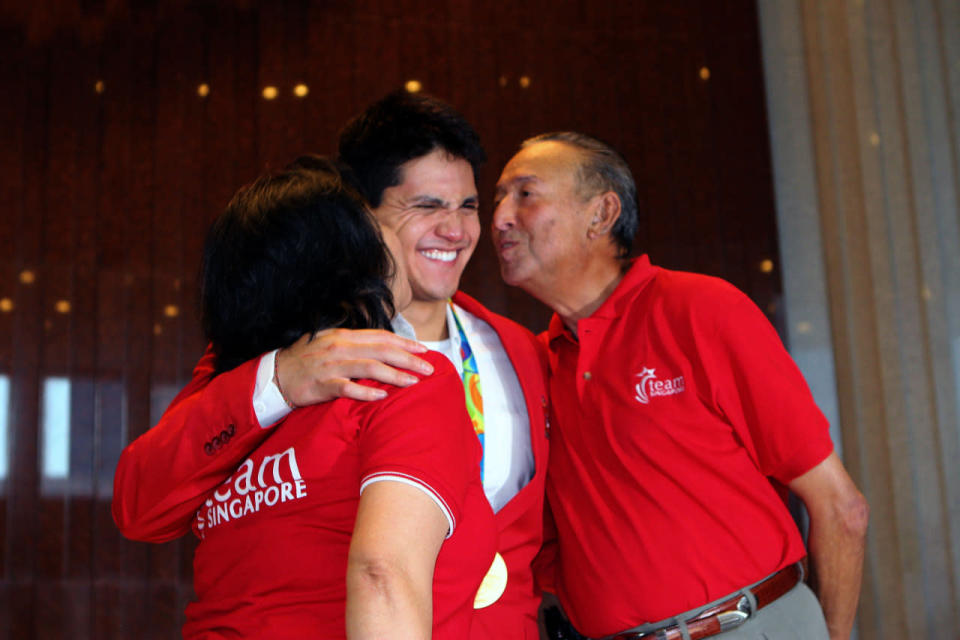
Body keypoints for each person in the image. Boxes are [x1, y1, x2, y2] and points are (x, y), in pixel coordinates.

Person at [112, 93, 550, 639]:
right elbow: (139, 504)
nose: (455, 230)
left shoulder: (523, 350)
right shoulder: (263, 361)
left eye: (467, 207)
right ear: (360, 217)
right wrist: (279, 379)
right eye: (426, 206)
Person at [491, 132, 869, 640]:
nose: (499, 218)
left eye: (525, 194)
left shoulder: (699, 309)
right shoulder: (535, 366)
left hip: (752, 625)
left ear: (601, 214)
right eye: (497, 198)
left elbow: (841, 507)